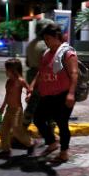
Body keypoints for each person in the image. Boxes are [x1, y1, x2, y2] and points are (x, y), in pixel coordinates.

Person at [28, 23, 78, 163]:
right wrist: (32, 86)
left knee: (62, 123)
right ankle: (52, 142)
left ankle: (64, 151)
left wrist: (71, 94)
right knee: (38, 118)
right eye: (45, 39)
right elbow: (41, 72)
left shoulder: (68, 53)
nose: (46, 42)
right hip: (47, 95)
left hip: (63, 94)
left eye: (48, 39)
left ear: (57, 37)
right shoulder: (46, 53)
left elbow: (74, 74)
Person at [0, 58, 37, 158]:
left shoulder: (20, 81)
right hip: (9, 110)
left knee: (16, 130)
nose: (5, 72)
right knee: (3, 130)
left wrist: (29, 95)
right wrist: (2, 107)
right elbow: (7, 95)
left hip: (17, 110)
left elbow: (29, 89)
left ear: (13, 70)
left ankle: (31, 143)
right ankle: (6, 150)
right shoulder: (8, 82)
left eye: (7, 70)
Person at [22, 18, 53, 127]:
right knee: (48, 102)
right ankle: (49, 128)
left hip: (31, 75)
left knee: (33, 101)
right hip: (41, 76)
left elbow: (27, 62)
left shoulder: (31, 44)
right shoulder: (45, 46)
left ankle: (24, 124)